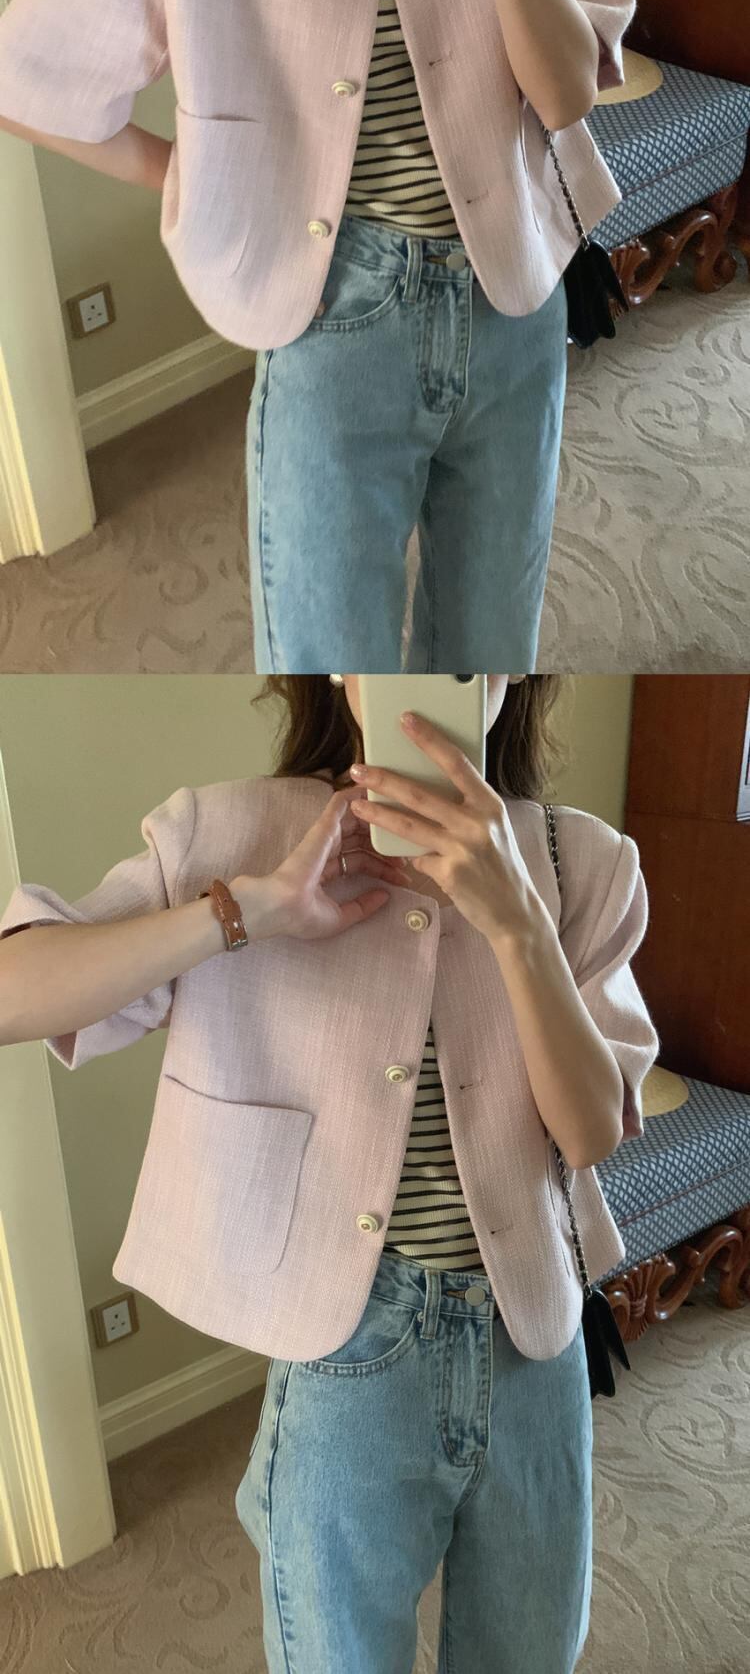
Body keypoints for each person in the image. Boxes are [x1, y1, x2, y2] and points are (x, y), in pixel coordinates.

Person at [0, 676, 658, 1674]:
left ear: (513, 666)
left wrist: (519, 923)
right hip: (349, 1348)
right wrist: (248, 910)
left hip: (536, 1342)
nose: (420, 661)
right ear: (336, 665)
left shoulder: (584, 858)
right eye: (379, 641)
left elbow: (591, 1132)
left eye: (466, 645)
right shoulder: (230, 831)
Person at [0, 0, 635, 668]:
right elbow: (33, 84)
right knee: (328, 662)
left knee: (488, 657)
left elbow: (565, 95)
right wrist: (204, 180)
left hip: (517, 306)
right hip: (329, 323)